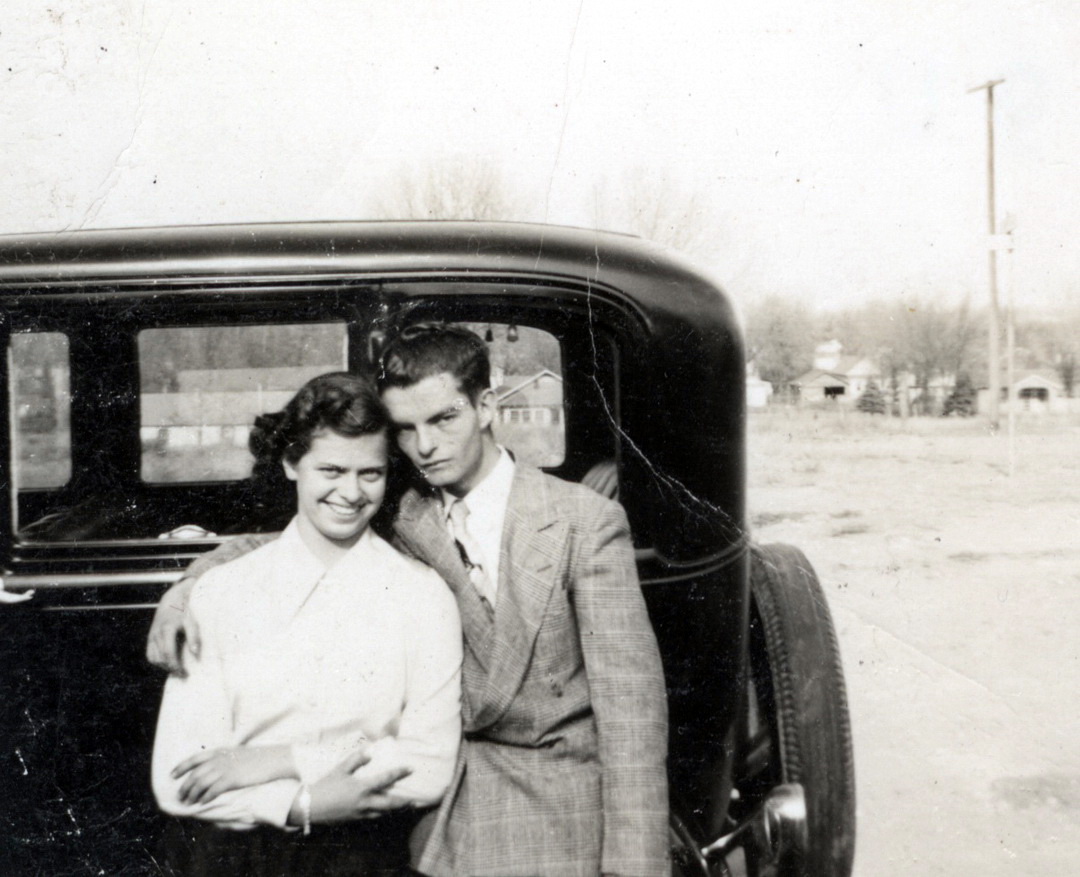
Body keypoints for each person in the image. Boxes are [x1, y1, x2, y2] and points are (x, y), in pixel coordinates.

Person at [148, 324, 670, 877]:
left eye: (444, 418)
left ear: (486, 406)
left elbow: (632, 714)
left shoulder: (581, 521)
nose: (425, 445)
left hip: (558, 801)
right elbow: (289, 538)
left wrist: (634, 869)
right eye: (405, 428)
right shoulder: (404, 507)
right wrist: (185, 591)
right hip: (443, 805)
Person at [151, 371, 462, 877]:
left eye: (371, 473)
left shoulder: (423, 596)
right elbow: (177, 779)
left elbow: (429, 767)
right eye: (332, 470)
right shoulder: (222, 591)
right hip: (228, 859)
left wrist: (284, 759)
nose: (351, 493)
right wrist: (301, 804)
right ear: (292, 463)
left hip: (364, 859)